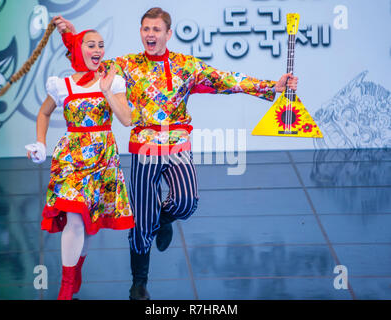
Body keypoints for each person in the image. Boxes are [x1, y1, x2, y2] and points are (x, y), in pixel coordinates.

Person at [53, 7, 298, 300]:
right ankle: (139, 283)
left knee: (186, 202)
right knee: (141, 224)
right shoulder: (127, 64)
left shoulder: (185, 66)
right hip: (144, 149)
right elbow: (90, 62)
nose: (150, 35)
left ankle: (164, 219)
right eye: (146, 29)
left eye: (156, 30)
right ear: (141, 32)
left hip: (177, 147)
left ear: (168, 34)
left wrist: (273, 87)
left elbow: (226, 79)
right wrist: (69, 36)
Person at [26, 29, 135, 300]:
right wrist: (40, 143)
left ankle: (76, 270)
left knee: (87, 223)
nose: (98, 49)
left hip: (102, 161)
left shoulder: (113, 81)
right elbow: (44, 112)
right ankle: (66, 286)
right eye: (91, 45)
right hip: (71, 160)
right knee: (74, 217)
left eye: (101, 45)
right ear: (79, 50)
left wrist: (107, 91)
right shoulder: (62, 85)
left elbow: (127, 119)